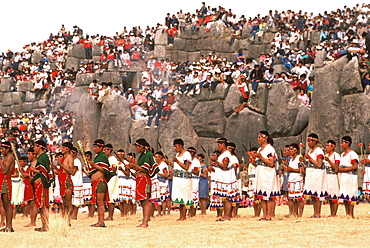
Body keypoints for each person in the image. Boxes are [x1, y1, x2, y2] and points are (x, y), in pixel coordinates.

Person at [126, 139, 156, 228]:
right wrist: (131, 167)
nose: (136, 148)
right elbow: (138, 170)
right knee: (143, 201)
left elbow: (146, 169)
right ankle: (144, 220)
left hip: (144, 179)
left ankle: (146, 222)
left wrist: (135, 166)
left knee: (146, 201)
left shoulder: (147, 155)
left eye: (137, 146)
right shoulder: (142, 155)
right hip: (140, 179)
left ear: (142, 147)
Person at [210, 138, 240, 221]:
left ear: (223, 145)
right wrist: (216, 163)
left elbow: (224, 166)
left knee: (226, 199)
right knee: (224, 199)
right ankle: (226, 215)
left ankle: (227, 216)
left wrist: (216, 161)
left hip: (225, 179)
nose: (217, 146)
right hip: (222, 179)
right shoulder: (223, 154)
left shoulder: (226, 154)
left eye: (219, 145)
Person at [253, 131, 279, 221]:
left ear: (265, 138)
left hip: (268, 173)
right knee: (262, 195)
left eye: (260, 137)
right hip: (260, 173)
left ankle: (269, 215)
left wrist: (261, 157)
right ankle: (264, 215)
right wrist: (253, 160)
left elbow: (271, 163)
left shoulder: (269, 149)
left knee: (269, 195)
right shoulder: (259, 149)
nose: (258, 139)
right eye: (258, 137)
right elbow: (257, 163)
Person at [88, 139, 112, 227]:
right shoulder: (98, 156)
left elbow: (105, 170)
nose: (94, 149)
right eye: (94, 147)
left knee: (100, 202)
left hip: (100, 182)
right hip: (96, 182)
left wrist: (95, 166)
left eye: (96, 147)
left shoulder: (103, 156)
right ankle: (99, 220)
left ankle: (101, 221)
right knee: (98, 203)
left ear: (101, 147)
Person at [302, 133, 326, 218]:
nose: (308, 143)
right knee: (313, 195)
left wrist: (309, 158)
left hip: (316, 175)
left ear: (315, 141)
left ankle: (317, 213)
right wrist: (304, 161)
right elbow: (310, 164)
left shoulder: (318, 151)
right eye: (307, 141)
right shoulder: (310, 151)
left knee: (316, 195)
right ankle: (315, 213)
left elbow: (319, 164)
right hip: (311, 174)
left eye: (309, 141)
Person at [168, 138, 192, 221]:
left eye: (176, 146)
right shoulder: (177, 155)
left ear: (181, 146)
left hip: (184, 179)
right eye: (174, 146)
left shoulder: (187, 154)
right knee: (180, 197)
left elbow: (186, 167)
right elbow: (177, 167)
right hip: (177, 178)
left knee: (184, 196)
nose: (175, 148)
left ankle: (184, 216)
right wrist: (170, 164)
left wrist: (177, 161)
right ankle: (181, 216)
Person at [30, 140, 51, 232]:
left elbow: (44, 172)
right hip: (38, 184)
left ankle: (46, 226)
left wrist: (33, 170)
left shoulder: (43, 157)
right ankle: (43, 225)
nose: (34, 148)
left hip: (41, 184)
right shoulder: (41, 157)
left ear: (39, 147)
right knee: (41, 205)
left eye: (35, 146)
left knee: (43, 205)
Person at [338, 136, 359, 218]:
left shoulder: (352, 154)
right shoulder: (342, 154)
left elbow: (355, 166)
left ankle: (351, 214)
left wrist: (344, 169)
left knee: (350, 195)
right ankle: (347, 214)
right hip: (343, 177)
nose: (341, 145)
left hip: (350, 177)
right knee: (345, 195)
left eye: (342, 143)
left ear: (348, 143)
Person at [283, 143, 304, 217]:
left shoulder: (299, 158)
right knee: (292, 198)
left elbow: (302, 170)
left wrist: (292, 169)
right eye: (289, 149)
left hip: (297, 179)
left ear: (296, 150)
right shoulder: (291, 160)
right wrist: (288, 169)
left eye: (292, 149)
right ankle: (294, 213)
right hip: (291, 179)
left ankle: (300, 214)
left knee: (299, 197)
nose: (290, 151)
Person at [58, 142, 75, 226]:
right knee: (64, 203)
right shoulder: (64, 158)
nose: (62, 149)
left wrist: (62, 165)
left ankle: (68, 221)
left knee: (68, 203)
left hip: (66, 180)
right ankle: (65, 219)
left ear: (67, 149)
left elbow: (72, 172)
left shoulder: (70, 158)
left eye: (63, 147)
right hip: (61, 181)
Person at [0, 142, 15, 232]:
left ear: (8, 149)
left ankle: (9, 226)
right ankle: (8, 226)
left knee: (7, 204)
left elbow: (5, 171)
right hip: (3, 181)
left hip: (5, 181)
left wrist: (0, 161)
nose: (1, 151)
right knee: (5, 204)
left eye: (2, 149)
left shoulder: (9, 157)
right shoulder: (7, 157)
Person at [324, 140, 340, 217]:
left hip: (333, 176)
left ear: (332, 147)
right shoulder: (325, 155)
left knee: (334, 195)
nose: (326, 147)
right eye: (326, 146)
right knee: (330, 196)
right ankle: (331, 213)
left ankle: (334, 213)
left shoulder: (336, 155)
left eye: (328, 146)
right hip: (327, 176)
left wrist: (329, 160)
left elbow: (336, 167)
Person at [22, 148, 38, 227]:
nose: (28, 156)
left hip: (34, 185)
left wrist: (28, 175)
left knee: (33, 203)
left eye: (30, 154)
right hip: (29, 184)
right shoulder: (32, 164)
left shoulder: (36, 163)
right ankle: (32, 221)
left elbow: (37, 174)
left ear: (34, 155)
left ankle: (33, 222)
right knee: (31, 203)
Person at [104, 144, 120, 221]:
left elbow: (113, 169)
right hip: (107, 178)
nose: (105, 151)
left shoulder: (112, 159)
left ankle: (110, 216)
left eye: (107, 149)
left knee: (111, 196)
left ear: (110, 150)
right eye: (104, 150)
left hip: (111, 178)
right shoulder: (105, 158)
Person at [155, 151, 170, 216]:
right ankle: (159, 213)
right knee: (158, 198)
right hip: (157, 182)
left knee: (164, 198)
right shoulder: (156, 165)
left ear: (160, 157)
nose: (155, 158)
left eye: (156, 157)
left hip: (163, 183)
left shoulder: (163, 165)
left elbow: (166, 175)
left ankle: (163, 212)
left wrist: (158, 173)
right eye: (155, 157)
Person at [71, 147, 84, 220]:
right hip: (72, 182)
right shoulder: (72, 161)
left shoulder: (76, 161)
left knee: (76, 200)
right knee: (72, 200)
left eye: (73, 152)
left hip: (76, 182)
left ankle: (74, 215)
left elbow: (73, 172)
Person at [187, 147, 200, 218]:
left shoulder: (196, 161)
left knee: (194, 196)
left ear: (192, 153)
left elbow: (197, 173)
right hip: (187, 180)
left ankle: (193, 214)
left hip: (194, 180)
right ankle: (189, 212)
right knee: (188, 196)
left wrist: (189, 169)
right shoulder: (186, 160)